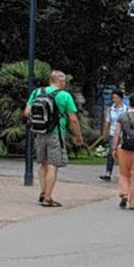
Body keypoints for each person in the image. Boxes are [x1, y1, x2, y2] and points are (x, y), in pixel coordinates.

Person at [23, 70, 84, 207]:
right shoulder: (64, 95)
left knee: (43, 163)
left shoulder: (37, 92)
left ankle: (43, 192)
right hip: (56, 132)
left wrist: (39, 121)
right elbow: (73, 120)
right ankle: (48, 198)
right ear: (60, 81)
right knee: (53, 164)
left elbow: (27, 112)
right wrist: (78, 136)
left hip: (39, 132)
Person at [99, 90, 127, 182]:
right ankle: (108, 172)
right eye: (113, 98)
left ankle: (124, 173)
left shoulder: (126, 110)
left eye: (116, 98)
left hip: (123, 134)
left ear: (121, 98)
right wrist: (104, 133)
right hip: (113, 133)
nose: (114, 99)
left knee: (123, 153)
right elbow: (107, 122)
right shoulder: (110, 109)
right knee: (112, 152)